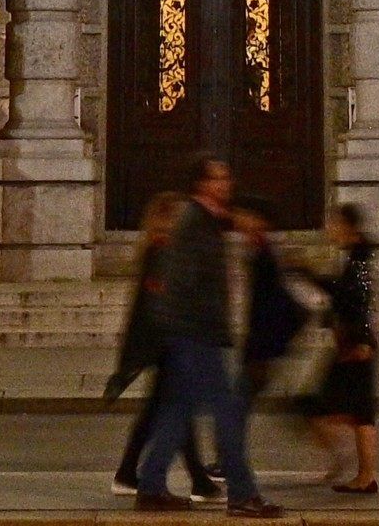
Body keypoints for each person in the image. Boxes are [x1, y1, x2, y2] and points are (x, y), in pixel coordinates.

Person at [132, 157, 276, 517]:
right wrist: (202, 327)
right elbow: (182, 284)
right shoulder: (195, 223)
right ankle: (242, 495)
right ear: (201, 184)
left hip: (191, 333)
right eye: (218, 178)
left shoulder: (204, 220)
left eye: (227, 177)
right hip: (196, 335)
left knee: (176, 411)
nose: (226, 184)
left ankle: (150, 487)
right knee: (227, 412)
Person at [109, 191, 219, 503]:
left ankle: (129, 473)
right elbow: (159, 304)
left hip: (165, 343)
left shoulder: (162, 251)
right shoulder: (160, 253)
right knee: (173, 411)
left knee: (160, 411)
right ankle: (194, 481)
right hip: (166, 344)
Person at [305, 203, 379, 494]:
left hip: (355, 346)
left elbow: (358, 299)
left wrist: (362, 340)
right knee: (360, 413)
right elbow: (344, 295)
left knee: (355, 413)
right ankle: (362, 474)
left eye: (334, 223)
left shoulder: (358, 262)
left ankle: (363, 474)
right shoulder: (356, 258)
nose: (329, 229)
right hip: (353, 343)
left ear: (349, 228)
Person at [237, 201, 310, 450]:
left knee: (240, 402)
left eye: (246, 215)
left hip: (264, 343)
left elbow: (269, 302)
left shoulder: (264, 252)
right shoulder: (257, 249)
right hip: (264, 342)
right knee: (246, 401)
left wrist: (258, 346)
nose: (241, 220)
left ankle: (327, 438)